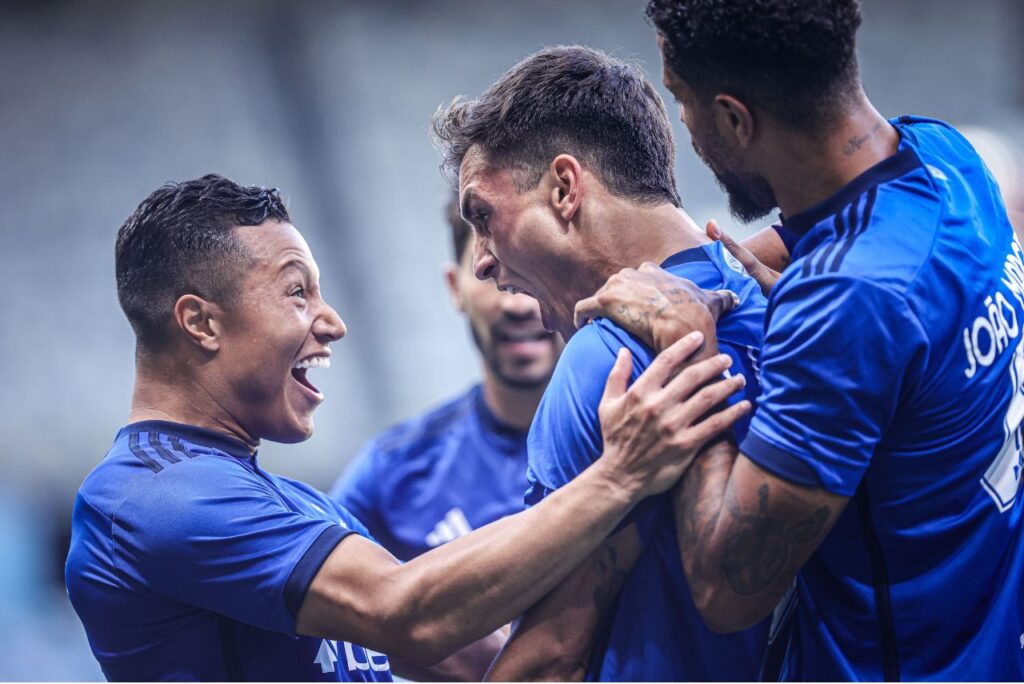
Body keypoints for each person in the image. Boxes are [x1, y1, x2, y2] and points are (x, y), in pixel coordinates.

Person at [64, 174, 746, 681]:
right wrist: (622, 476)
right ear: (200, 322)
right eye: (298, 291)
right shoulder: (148, 499)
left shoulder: (296, 505)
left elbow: (478, 658)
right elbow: (409, 613)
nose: (332, 322)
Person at [572, 1, 1024, 679]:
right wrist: (693, 273)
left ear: (733, 117)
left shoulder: (852, 300)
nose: (685, 127)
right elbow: (821, 247)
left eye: (682, 101)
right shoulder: (947, 158)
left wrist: (686, 339)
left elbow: (729, 590)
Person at [432, 46, 770, 681]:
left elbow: (554, 656)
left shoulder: (605, 359)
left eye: (484, 216)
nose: (481, 260)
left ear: (565, 188)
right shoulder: (772, 294)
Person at [330, 193, 562, 562]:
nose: (518, 304)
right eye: (493, 274)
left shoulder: (641, 429)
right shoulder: (392, 472)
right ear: (455, 287)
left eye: (536, 272)